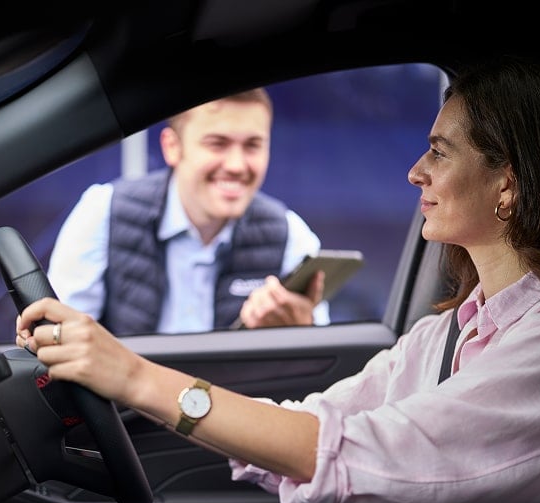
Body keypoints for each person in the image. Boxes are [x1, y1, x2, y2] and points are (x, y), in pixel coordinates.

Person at [16, 56, 540, 503]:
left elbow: (353, 454)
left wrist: (131, 374)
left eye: (440, 152)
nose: (417, 171)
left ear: (509, 185)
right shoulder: (443, 334)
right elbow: (311, 424)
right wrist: (125, 376)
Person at [45, 87, 331, 335]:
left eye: (252, 146)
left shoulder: (291, 235)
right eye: (217, 144)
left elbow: (319, 371)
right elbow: (61, 341)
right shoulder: (102, 212)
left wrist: (299, 333)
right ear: (172, 147)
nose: (236, 165)